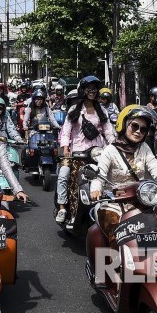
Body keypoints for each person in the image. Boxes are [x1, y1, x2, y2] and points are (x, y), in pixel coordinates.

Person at [90, 105, 157, 238]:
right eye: (134, 126)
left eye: (143, 129)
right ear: (124, 125)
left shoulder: (144, 148)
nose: (138, 132)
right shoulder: (110, 150)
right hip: (113, 203)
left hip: (140, 201)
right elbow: (99, 176)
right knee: (118, 235)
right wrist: (96, 190)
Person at [56, 75, 115, 223]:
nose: (92, 91)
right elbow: (66, 131)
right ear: (83, 90)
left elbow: (108, 131)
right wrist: (65, 149)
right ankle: (63, 208)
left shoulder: (102, 110)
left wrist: (115, 148)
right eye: (89, 88)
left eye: (95, 89)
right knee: (64, 175)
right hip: (76, 153)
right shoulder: (74, 109)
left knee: (109, 179)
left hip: (97, 152)